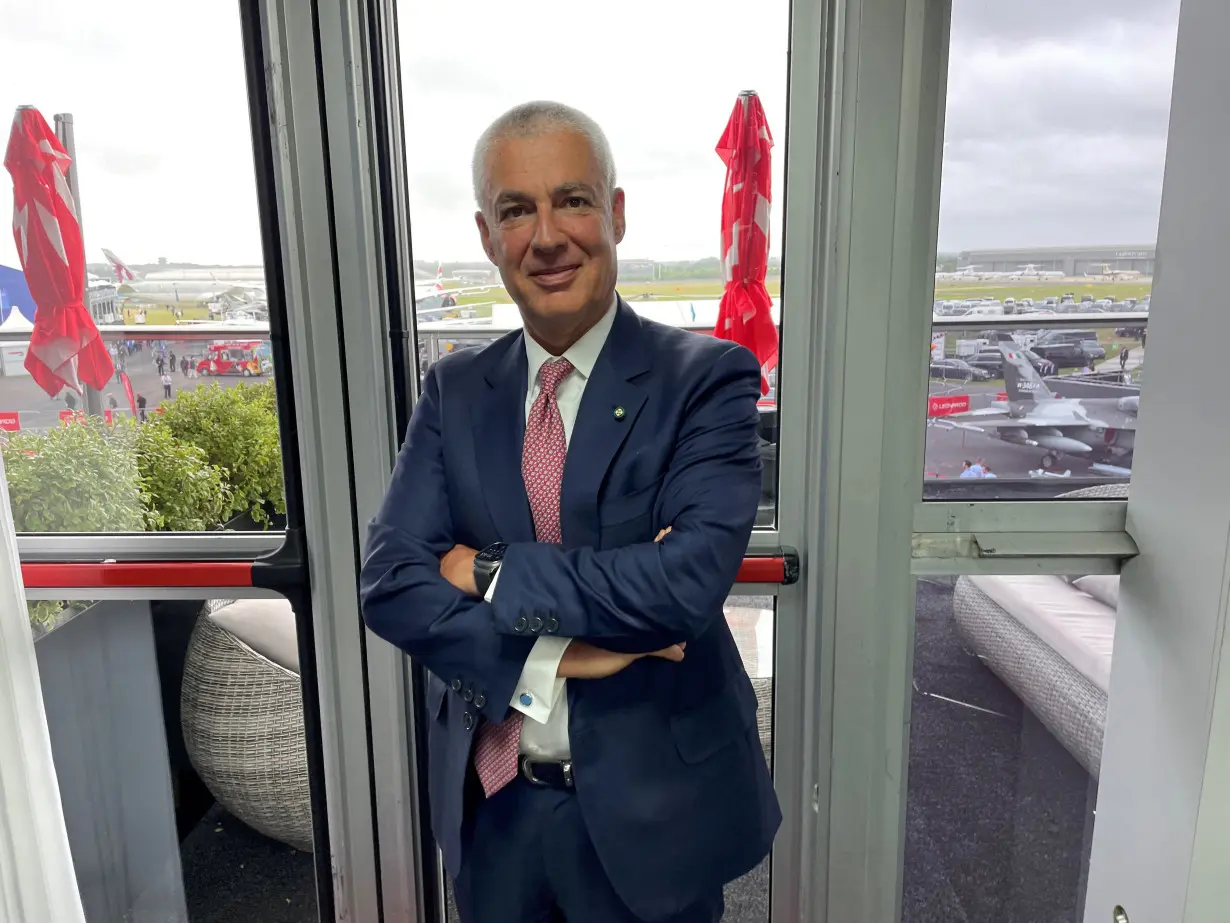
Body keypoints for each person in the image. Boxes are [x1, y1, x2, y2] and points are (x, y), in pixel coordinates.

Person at [360, 101, 780, 923]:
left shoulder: (706, 378)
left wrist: (482, 569)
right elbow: (389, 582)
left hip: (652, 810)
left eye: (573, 200)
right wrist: (552, 659)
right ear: (488, 235)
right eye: (517, 210)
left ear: (615, 213)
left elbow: (684, 586)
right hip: (495, 807)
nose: (547, 236)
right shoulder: (454, 390)